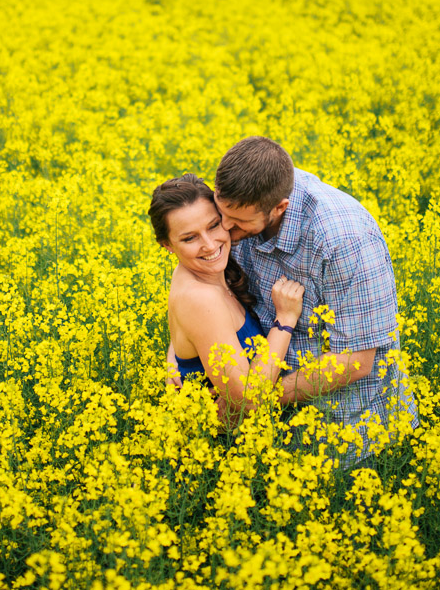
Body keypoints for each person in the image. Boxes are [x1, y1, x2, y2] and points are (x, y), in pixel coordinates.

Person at [171, 137, 419, 465]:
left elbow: (357, 360)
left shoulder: (344, 243)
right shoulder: (241, 194)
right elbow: (196, 273)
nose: (224, 231)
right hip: (266, 433)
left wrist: (254, 399)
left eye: (237, 223)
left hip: (345, 435)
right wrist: (177, 355)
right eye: (221, 214)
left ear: (279, 208)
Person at [148, 174, 305, 420]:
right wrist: (284, 320)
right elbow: (249, 402)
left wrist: (175, 358)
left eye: (213, 225)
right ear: (167, 245)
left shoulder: (192, 271)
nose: (210, 245)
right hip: (230, 448)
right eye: (190, 238)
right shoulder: (201, 299)